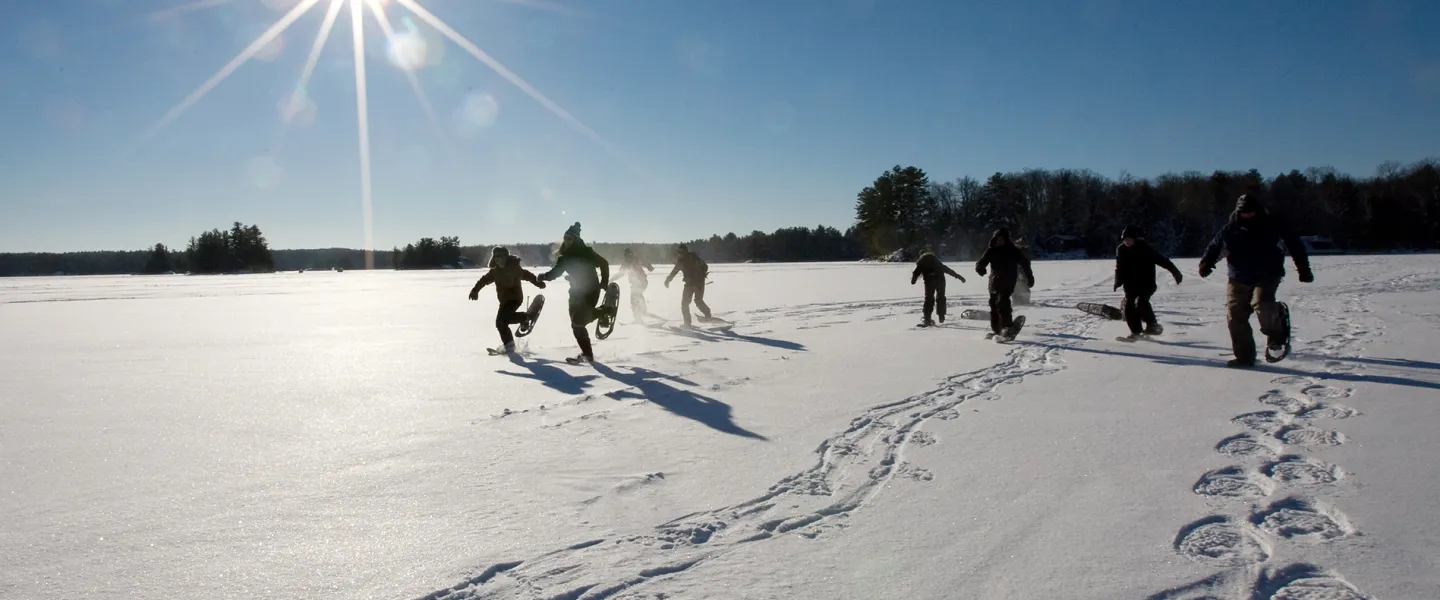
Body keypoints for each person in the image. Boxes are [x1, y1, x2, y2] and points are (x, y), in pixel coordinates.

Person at [1199, 194, 1313, 367]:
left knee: (1262, 304)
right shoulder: (1231, 228)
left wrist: (1303, 269)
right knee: (1235, 316)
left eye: (1250, 213)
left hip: (1267, 274)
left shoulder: (1274, 225)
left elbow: (1295, 245)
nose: (1247, 216)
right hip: (1238, 277)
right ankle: (1245, 357)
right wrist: (1206, 262)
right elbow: (1215, 246)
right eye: (1243, 213)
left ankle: (1277, 334)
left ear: (1258, 211)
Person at [539, 222, 611, 364]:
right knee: (576, 323)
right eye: (565, 238)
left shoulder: (585, 253)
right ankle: (587, 353)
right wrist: (545, 276)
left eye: (570, 239)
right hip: (577, 292)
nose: (567, 241)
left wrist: (604, 282)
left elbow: (604, 263)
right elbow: (555, 273)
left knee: (578, 322)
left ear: (577, 240)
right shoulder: (565, 257)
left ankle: (604, 311)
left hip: (589, 290)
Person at [468, 246, 545, 353]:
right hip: (504, 300)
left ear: (505, 257)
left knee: (501, 321)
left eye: (499, 256)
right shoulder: (495, 271)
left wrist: (537, 282)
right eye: (495, 256)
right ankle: (511, 342)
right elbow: (484, 280)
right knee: (501, 322)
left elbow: (527, 275)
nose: (497, 258)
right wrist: (475, 290)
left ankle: (525, 319)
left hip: (515, 298)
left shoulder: (514, 267)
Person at [1113, 225, 1183, 340]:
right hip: (1130, 285)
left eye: (1129, 240)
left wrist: (1175, 272)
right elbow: (1119, 268)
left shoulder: (1144, 248)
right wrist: (1118, 281)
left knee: (1141, 303)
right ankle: (1136, 332)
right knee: (1128, 307)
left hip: (1146, 284)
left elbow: (1162, 260)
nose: (1127, 242)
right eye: (1125, 240)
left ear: (1135, 239)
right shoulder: (1121, 250)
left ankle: (1152, 326)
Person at [975, 228, 1035, 339]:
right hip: (994, 281)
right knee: (993, 304)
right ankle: (997, 330)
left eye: (1002, 239)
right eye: (997, 239)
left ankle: (1007, 328)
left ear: (1006, 239)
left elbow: (1025, 263)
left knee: (1003, 302)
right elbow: (981, 262)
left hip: (1008, 280)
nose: (999, 241)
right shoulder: (991, 250)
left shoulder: (1013, 250)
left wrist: (1030, 277)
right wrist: (980, 268)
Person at [910, 250, 967, 326]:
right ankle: (941, 315)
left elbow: (916, 272)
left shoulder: (922, 262)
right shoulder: (936, 261)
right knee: (941, 297)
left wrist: (913, 280)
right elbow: (947, 270)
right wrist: (958, 276)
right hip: (940, 281)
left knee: (929, 299)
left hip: (929, 282)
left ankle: (927, 319)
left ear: (920, 255)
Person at [663, 244, 711, 327]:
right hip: (689, 284)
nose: (680, 254)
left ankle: (708, 315)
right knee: (685, 304)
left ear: (686, 251)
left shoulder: (694, 258)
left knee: (698, 301)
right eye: (678, 252)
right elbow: (674, 272)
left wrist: (702, 274)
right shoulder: (680, 262)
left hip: (698, 283)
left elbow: (705, 266)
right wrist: (668, 280)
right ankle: (687, 323)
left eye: (681, 252)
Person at [618, 247, 656, 323]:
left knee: (635, 297)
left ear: (631, 254)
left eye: (629, 255)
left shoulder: (636, 259)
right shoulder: (625, 263)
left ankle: (638, 318)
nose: (628, 257)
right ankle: (643, 311)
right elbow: (620, 272)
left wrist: (649, 267)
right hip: (634, 284)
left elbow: (645, 262)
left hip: (642, 282)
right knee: (638, 296)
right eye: (626, 256)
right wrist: (611, 279)